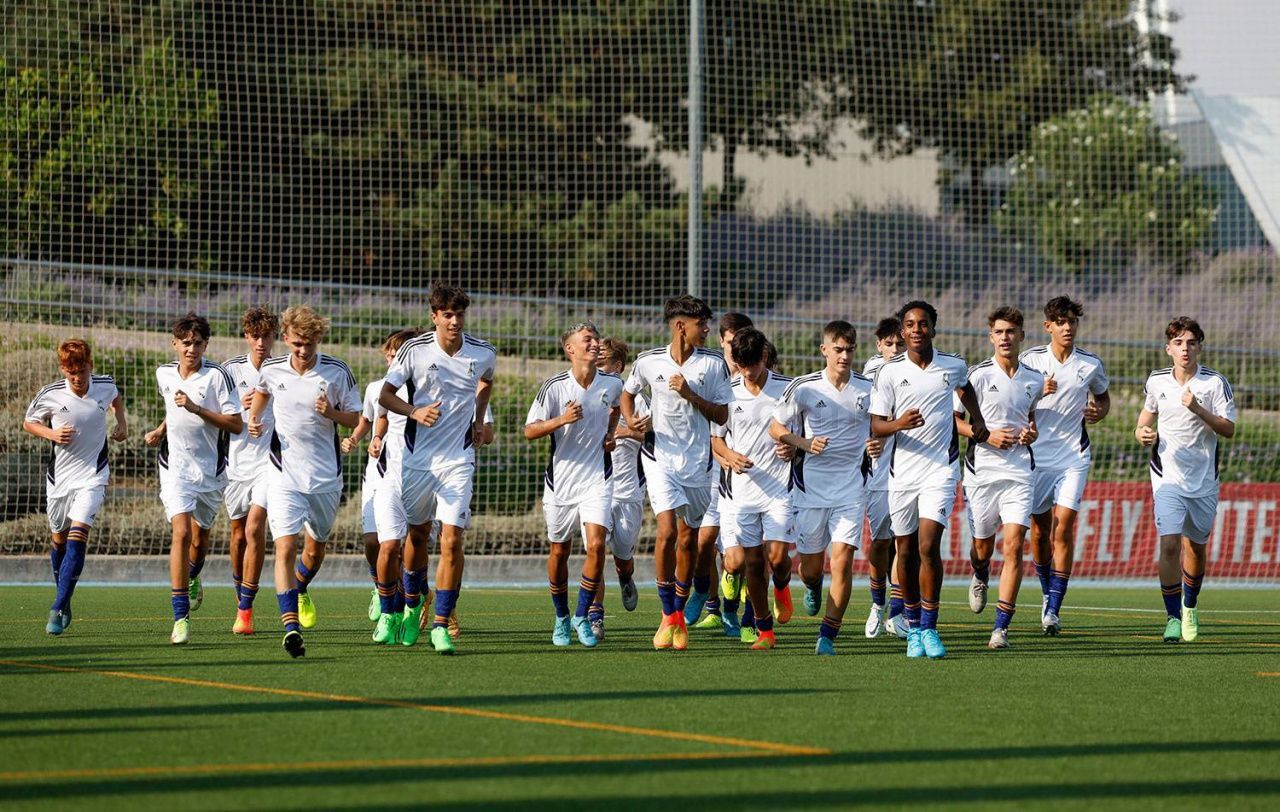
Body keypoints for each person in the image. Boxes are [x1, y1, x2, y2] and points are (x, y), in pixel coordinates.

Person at [379, 285, 496, 654]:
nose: (454, 321)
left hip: (458, 459)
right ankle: (412, 604)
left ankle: (442, 623)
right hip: (418, 461)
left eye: (459, 314)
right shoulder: (414, 351)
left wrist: (478, 419)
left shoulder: (482, 352)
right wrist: (413, 412)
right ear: (435, 317)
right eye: (447, 314)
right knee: (417, 535)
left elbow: (487, 381)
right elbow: (385, 394)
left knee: (452, 539)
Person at [870, 301, 987, 660]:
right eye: (910, 324)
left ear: (933, 329)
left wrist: (978, 420)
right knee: (903, 551)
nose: (916, 329)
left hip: (940, 469)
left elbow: (966, 391)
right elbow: (876, 425)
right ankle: (911, 624)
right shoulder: (889, 373)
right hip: (902, 471)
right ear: (902, 332)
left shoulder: (952, 365)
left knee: (927, 546)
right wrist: (899, 424)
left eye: (923, 323)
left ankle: (930, 628)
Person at [249, 306, 361, 658]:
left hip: (326, 476)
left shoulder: (336, 371)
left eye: (309, 343)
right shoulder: (271, 368)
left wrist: (332, 414)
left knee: (315, 549)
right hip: (284, 473)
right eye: (297, 343)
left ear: (318, 340)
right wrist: (254, 416)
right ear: (286, 339)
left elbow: (357, 418)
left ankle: (300, 587)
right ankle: (290, 626)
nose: (302, 350)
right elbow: (264, 391)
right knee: (284, 546)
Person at [621, 294, 731, 650]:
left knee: (689, 540)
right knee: (666, 531)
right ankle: (668, 614)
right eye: (702, 325)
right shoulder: (648, 361)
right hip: (660, 457)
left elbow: (722, 415)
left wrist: (690, 394)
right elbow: (627, 393)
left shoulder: (713, 364)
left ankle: (678, 614)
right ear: (681, 326)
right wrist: (629, 418)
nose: (708, 331)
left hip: (698, 463)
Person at [771, 320, 878, 655]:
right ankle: (812, 585)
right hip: (810, 489)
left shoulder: (869, 388)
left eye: (849, 349)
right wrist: (803, 443)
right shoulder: (804, 387)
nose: (844, 356)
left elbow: (881, 424)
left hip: (851, 488)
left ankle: (827, 635)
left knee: (842, 560)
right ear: (825, 351)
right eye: (838, 350)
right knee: (811, 568)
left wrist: (875, 443)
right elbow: (775, 428)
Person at [1135, 317, 1235, 643]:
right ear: (1169, 349)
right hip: (1166, 476)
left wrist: (1197, 409)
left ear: (1199, 347)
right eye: (1178, 343)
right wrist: (1141, 431)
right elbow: (1146, 417)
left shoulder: (1215, 384)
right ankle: (1173, 617)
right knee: (1169, 544)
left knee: (1196, 548)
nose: (1185, 349)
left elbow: (1229, 429)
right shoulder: (1157, 381)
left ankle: (1190, 605)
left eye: (1191, 342)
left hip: (1204, 478)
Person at [145, 313, 242, 646]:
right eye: (185, 343)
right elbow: (174, 409)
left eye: (197, 343)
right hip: (175, 468)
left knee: (199, 542)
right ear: (175, 343)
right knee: (181, 533)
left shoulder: (217, 377)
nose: (191, 349)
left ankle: (194, 575)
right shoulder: (164, 374)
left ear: (205, 345)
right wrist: (161, 430)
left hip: (211, 471)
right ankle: (180, 617)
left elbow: (235, 424)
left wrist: (198, 409)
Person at [524, 322, 622, 648]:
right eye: (588, 340)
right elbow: (530, 430)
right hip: (561, 482)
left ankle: (582, 614)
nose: (595, 344)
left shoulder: (612, 383)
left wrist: (610, 434)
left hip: (597, 478)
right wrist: (561, 420)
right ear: (571, 349)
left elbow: (617, 407)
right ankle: (562, 616)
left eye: (596, 338)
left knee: (596, 546)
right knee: (559, 550)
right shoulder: (554, 387)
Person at [1018, 296, 1110, 634]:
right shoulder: (1029, 360)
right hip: (1036, 457)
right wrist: (1038, 391)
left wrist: (1100, 411)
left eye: (1072, 321)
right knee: (1040, 533)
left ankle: (1054, 608)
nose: (1067, 327)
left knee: (1064, 526)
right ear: (1048, 326)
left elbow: (1102, 397)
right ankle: (1046, 592)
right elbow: (1014, 400)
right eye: (1060, 322)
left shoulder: (1090, 364)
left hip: (1073, 455)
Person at [23, 339, 127, 635]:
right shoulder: (51, 394)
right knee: (58, 540)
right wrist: (52, 434)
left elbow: (116, 399)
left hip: (93, 475)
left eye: (82, 371)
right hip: (60, 480)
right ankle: (65, 596)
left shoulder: (104, 384)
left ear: (90, 366)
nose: (78, 379)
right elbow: (29, 423)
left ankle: (57, 606)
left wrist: (122, 423)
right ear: (63, 371)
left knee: (79, 535)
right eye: (72, 374)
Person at [957, 307, 1044, 650]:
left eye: (1012, 331)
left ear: (1022, 336)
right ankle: (980, 574)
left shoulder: (1034, 380)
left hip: (1019, 471)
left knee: (1015, 546)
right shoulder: (975, 376)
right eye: (999, 332)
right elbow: (953, 421)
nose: (1006, 337)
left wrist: (1030, 435)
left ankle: (1000, 628)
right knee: (982, 548)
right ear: (991, 337)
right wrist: (986, 435)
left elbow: (1030, 421)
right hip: (981, 472)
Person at [715, 328, 794, 650]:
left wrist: (794, 449)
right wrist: (729, 455)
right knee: (750, 563)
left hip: (781, 489)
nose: (747, 371)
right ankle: (763, 630)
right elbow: (716, 440)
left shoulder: (788, 389)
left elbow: (802, 433)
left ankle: (784, 585)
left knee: (777, 557)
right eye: (741, 364)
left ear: (764, 356)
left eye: (752, 363)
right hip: (742, 492)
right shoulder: (727, 392)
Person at [344, 328, 420, 643]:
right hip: (384, 472)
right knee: (379, 543)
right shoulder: (379, 389)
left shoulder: (430, 386)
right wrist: (370, 438)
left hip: (423, 475)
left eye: (399, 354)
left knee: (418, 546)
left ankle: (417, 608)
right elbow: (373, 420)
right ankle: (386, 600)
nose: (393, 359)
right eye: (390, 354)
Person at [685, 312, 755, 631]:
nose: (736, 348)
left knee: (737, 552)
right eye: (731, 342)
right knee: (704, 543)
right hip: (705, 468)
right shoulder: (712, 371)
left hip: (739, 475)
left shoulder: (756, 375)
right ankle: (712, 604)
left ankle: (731, 607)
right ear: (722, 340)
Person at [222, 306, 279, 635]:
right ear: (246, 337)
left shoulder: (282, 370)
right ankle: (239, 594)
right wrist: (237, 408)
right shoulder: (229, 370)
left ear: (274, 338)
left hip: (269, 464)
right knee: (238, 534)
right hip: (236, 463)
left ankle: (246, 608)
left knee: (256, 529)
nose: (261, 342)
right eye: (255, 336)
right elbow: (214, 411)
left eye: (267, 336)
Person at [592, 337, 645, 640]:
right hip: (596, 487)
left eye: (603, 362)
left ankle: (626, 576)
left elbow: (649, 437)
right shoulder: (588, 392)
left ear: (618, 366)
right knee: (595, 550)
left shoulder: (634, 398)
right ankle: (595, 616)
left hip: (628, 492)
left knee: (622, 554)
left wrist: (620, 431)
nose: (597, 365)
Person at [862, 317, 907, 638]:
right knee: (879, 543)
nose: (894, 349)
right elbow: (861, 415)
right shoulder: (870, 372)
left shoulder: (921, 369)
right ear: (879, 345)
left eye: (899, 343)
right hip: (877, 470)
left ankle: (897, 613)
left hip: (910, 468)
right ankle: (877, 605)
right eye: (888, 344)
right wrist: (870, 437)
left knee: (906, 543)